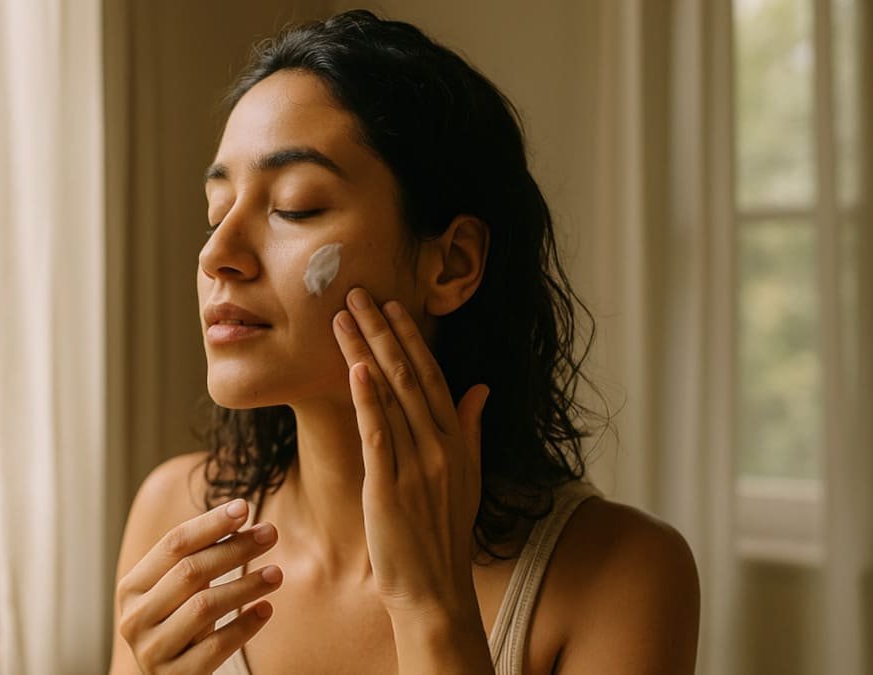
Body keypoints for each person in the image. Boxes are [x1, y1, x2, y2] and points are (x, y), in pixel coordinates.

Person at [110, 9, 699, 675]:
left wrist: (431, 607)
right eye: (216, 211)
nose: (218, 253)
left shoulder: (622, 576)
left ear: (449, 264)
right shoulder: (174, 516)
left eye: (296, 206)